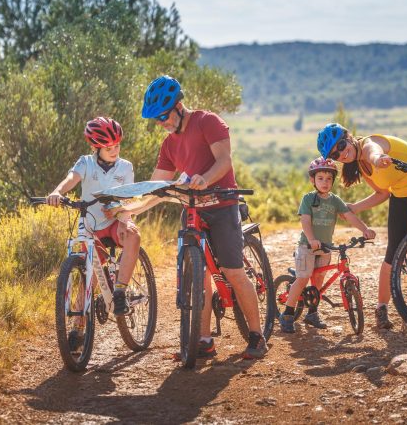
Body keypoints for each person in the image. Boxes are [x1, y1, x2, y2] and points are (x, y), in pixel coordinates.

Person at [141, 75, 267, 360]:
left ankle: (258, 336)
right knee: (198, 277)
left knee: (233, 271)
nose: (162, 122)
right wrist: (129, 210)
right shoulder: (168, 145)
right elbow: (156, 187)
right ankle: (203, 340)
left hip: (222, 204)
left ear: (178, 105)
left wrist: (205, 178)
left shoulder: (207, 122)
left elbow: (224, 161)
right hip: (193, 209)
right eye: (156, 119)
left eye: (163, 116)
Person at [316, 123, 407, 329]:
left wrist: (379, 160)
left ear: (349, 137)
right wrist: (355, 208)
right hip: (402, 195)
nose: (341, 153)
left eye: (341, 145)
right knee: (393, 252)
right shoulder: (362, 166)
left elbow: (373, 152)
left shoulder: (371, 143)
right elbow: (383, 193)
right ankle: (381, 309)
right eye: (335, 155)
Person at [47, 117, 141, 316]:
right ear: (96, 148)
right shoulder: (86, 163)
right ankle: (78, 329)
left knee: (133, 234)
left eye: (117, 146)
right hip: (92, 226)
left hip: (117, 221)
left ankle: (121, 291)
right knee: (88, 277)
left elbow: (130, 197)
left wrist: (118, 208)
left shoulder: (125, 167)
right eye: (108, 148)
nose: (114, 151)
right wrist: (57, 192)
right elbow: (72, 178)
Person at [279, 157, 376, 334]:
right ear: (312, 180)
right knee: (302, 278)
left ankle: (312, 313)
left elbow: (350, 216)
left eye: (329, 178)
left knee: (318, 281)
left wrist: (365, 229)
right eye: (320, 178)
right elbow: (305, 221)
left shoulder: (335, 201)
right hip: (307, 246)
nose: (325, 182)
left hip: (325, 248)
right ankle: (287, 314)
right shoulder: (308, 199)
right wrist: (311, 239)